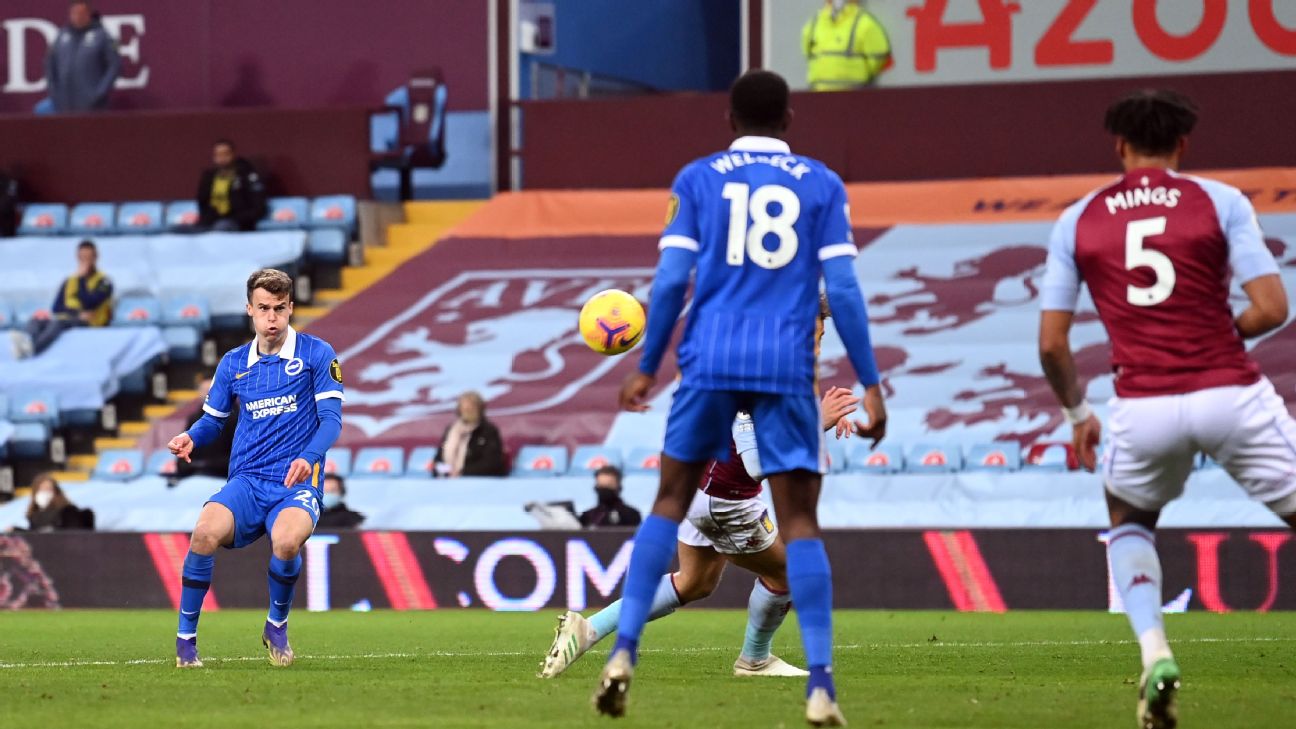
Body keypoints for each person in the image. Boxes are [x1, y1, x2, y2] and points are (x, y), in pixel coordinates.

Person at [592, 70, 886, 727]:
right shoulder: (821, 183)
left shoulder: (697, 178)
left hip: (711, 359)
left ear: (729, 119)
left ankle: (623, 653)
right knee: (801, 524)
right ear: (789, 118)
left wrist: (647, 365)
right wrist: (871, 382)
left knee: (667, 503)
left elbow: (672, 280)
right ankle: (821, 684)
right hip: (784, 366)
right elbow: (842, 289)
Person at [1039, 89, 1296, 729]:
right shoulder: (1221, 201)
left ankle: (1155, 652)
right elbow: (1272, 307)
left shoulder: (1078, 220)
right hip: (1230, 393)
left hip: (1143, 404)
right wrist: (1214, 336)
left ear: (1119, 146)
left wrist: (1078, 416)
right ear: (1183, 144)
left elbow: (1051, 344)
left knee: (1129, 520)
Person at [545, 378, 867, 681]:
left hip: (699, 485)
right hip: (727, 500)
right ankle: (755, 659)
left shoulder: (759, 371)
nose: (816, 343)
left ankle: (588, 629)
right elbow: (755, 465)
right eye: (816, 337)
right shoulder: (753, 377)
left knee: (694, 582)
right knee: (785, 573)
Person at [166, 268, 344, 668]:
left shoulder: (317, 354)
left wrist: (308, 457)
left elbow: (331, 420)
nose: (272, 318)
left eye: (279, 308)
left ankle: (276, 625)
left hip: (295, 481)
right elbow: (213, 421)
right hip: (247, 480)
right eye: (263, 308)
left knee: (286, 542)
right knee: (204, 532)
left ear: (291, 308)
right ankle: (185, 641)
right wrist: (192, 436)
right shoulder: (233, 363)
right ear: (250, 309)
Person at [9, 240, 113, 359]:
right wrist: (77, 314)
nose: (85, 261)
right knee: (37, 320)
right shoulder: (69, 281)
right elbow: (57, 308)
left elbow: (89, 303)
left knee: (58, 323)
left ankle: (33, 348)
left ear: (95, 257)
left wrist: (81, 280)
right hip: (73, 318)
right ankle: (25, 341)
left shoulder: (104, 282)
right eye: (82, 258)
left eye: (88, 257)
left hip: (92, 323)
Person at [44, 1, 120, 113]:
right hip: (64, 104)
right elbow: (50, 64)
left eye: (81, 13)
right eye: (74, 13)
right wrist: (54, 92)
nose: (77, 17)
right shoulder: (61, 36)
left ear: (89, 14)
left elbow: (115, 66)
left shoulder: (102, 36)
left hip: (93, 105)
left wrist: (100, 92)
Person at [802, 0, 891, 91]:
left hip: (854, 95)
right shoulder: (813, 24)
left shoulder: (865, 23)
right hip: (818, 95)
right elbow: (808, 53)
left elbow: (879, 57)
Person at [195, 139, 268, 232]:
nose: (222, 158)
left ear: (233, 154)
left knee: (221, 227)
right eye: (218, 155)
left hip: (238, 223)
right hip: (211, 221)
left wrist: (237, 218)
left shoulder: (246, 175)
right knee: (181, 230)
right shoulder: (209, 177)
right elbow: (202, 202)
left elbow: (259, 208)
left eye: (226, 154)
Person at [174, 377, 238, 479]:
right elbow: (182, 457)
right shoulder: (194, 419)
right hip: (195, 476)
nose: (207, 394)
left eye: (211, 390)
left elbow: (239, 457)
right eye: (204, 391)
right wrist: (190, 466)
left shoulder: (237, 418)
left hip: (225, 477)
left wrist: (206, 465)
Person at [432, 391, 507, 477]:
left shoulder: (488, 431)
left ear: (480, 409)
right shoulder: (450, 430)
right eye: (464, 407)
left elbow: (492, 463)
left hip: (479, 480)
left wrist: (462, 472)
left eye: (472, 407)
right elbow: (437, 461)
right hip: (450, 478)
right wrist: (444, 471)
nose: (467, 409)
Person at [23, 474, 94, 532]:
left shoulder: (68, 511)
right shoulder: (34, 515)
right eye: (41, 489)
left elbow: (72, 535)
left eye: (48, 489)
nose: (44, 493)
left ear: (56, 492)